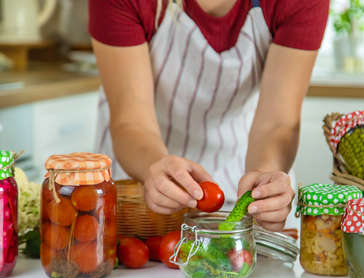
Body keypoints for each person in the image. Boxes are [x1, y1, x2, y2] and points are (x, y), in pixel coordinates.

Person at [89, 0, 329, 232]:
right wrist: (154, 168)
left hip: (242, 168)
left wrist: (264, 181)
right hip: (142, 181)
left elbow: (277, 124)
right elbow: (131, 122)